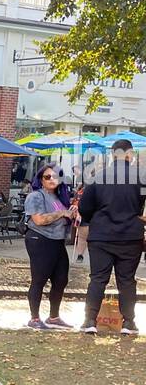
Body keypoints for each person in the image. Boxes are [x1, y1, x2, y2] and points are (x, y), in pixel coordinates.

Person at [77, 139, 146, 335]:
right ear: (129, 154)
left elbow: (84, 208)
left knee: (98, 279)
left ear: (112, 154)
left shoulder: (97, 177)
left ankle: (90, 320)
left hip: (101, 236)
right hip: (130, 236)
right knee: (127, 280)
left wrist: (97, 219)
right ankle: (129, 322)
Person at [23, 166, 79, 329]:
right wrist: (62, 213)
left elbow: (65, 217)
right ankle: (34, 318)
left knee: (61, 279)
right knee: (39, 279)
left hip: (57, 240)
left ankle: (54, 316)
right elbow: (39, 220)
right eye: (47, 177)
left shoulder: (60, 198)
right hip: (40, 239)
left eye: (55, 177)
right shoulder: (35, 196)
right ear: (41, 179)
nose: (52, 180)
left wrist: (71, 212)